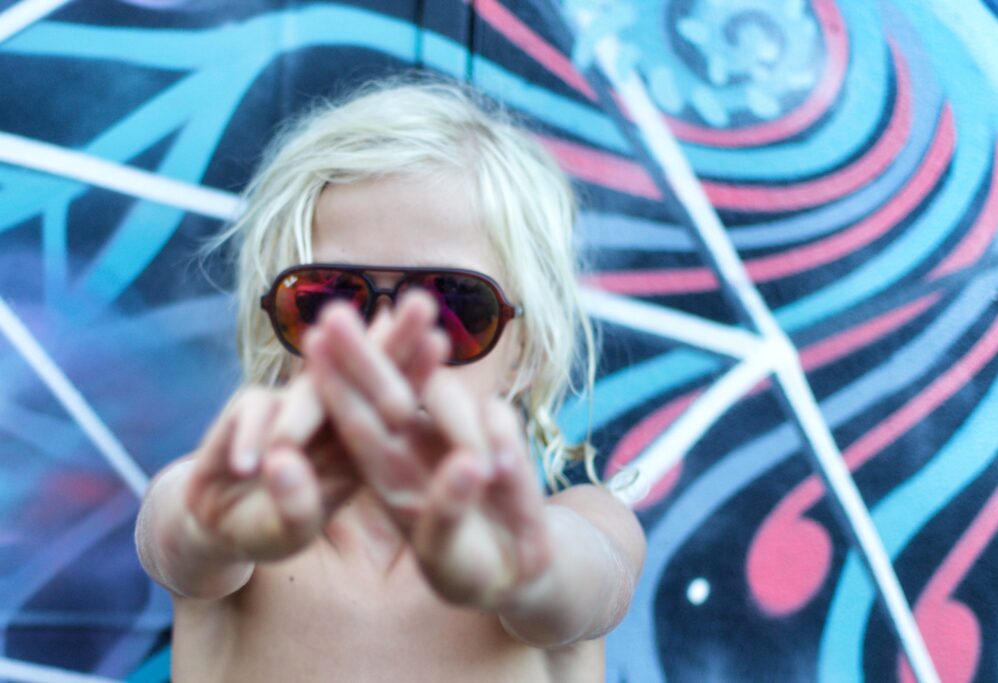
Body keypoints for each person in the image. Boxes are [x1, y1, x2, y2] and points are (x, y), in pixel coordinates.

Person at [134, 77, 646, 682]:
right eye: (330, 302)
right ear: (281, 329)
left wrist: (529, 566)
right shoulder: (240, 531)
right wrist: (209, 523)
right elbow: (178, 530)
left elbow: (587, 583)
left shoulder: (581, 523)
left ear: (525, 352)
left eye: (449, 308)